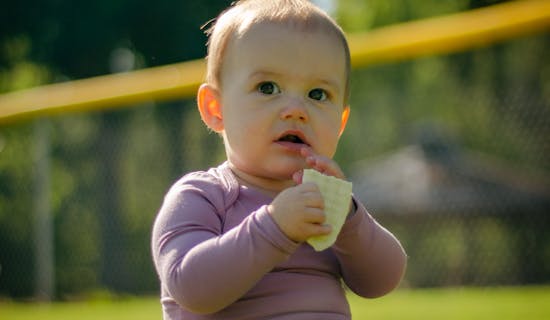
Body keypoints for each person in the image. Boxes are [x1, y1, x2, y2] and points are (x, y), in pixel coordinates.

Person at [151, 0, 407, 319]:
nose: (296, 110)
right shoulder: (203, 196)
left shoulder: (325, 203)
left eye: (317, 95)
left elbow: (382, 280)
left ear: (339, 125)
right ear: (216, 109)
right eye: (267, 87)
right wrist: (275, 227)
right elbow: (189, 287)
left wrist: (350, 221)